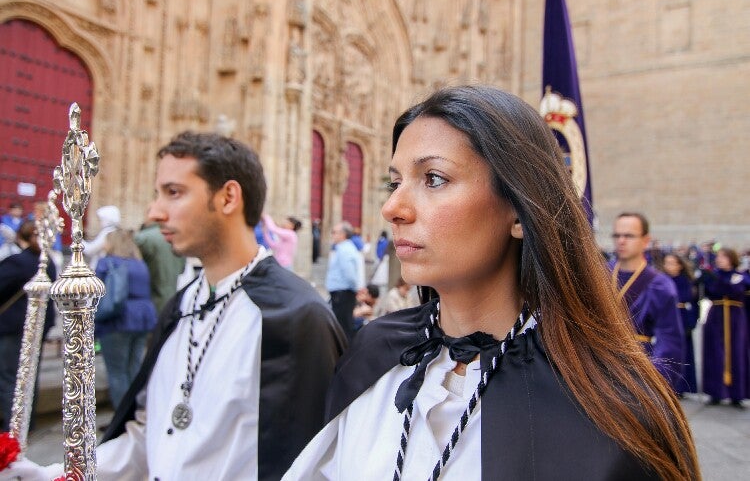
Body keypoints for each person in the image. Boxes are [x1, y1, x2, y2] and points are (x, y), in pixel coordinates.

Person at [284, 85, 698, 480]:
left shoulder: (611, 407)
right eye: (395, 183)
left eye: (433, 179)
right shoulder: (374, 353)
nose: (392, 207)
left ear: (518, 211)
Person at [7, 132, 346, 480]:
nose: (154, 212)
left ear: (228, 197)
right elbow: (148, 436)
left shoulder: (297, 318)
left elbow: (318, 461)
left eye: (174, 193)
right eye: (159, 194)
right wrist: (54, 475)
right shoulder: (180, 306)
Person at [610, 212, 685, 390]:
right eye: (617, 235)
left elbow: (669, 341)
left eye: (628, 236)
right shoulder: (598, 276)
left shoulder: (660, 285)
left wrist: (653, 384)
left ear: (645, 240)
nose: (621, 240)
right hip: (597, 368)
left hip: (640, 371)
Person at [0, 220, 56, 431]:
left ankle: (12, 429)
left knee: (11, 378)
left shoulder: (16, 262)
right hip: (38, 327)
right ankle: (26, 424)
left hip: (14, 327)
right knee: (29, 375)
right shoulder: (48, 262)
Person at [95, 229, 158, 409]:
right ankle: (137, 411)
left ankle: (122, 418)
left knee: (117, 372)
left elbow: (96, 290)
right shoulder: (140, 264)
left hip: (117, 318)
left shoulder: (107, 263)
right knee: (133, 367)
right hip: (142, 318)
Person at [701, 247, 750, 408]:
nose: (719, 259)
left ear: (731, 258)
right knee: (714, 352)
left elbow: (737, 289)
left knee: (737, 352)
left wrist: (727, 283)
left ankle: (737, 393)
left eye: (724, 256)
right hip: (716, 316)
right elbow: (712, 291)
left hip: (735, 318)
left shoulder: (740, 276)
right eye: (719, 256)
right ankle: (715, 391)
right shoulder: (713, 276)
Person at [662, 253, 699, 395]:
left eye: (672, 263)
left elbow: (693, 302)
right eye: (667, 262)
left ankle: (682, 386)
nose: (669, 266)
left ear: (680, 265)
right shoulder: (661, 281)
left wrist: (692, 321)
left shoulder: (686, 281)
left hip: (682, 318)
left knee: (683, 353)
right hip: (666, 319)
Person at [135, 215, 186, 313]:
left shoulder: (143, 237)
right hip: (172, 296)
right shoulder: (177, 238)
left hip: (150, 298)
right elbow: (182, 268)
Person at [325, 221, 362, 341]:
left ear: (343, 234)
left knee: (343, 326)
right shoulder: (343, 248)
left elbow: (349, 273)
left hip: (343, 292)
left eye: (334, 232)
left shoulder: (344, 249)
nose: (332, 235)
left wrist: (355, 287)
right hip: (342, 292)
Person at [82, 205, 121, 270]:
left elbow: (90, 250)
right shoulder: (115, 231)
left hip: (102, 267)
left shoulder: (107, 233)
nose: (100, 222)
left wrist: (79, 241)